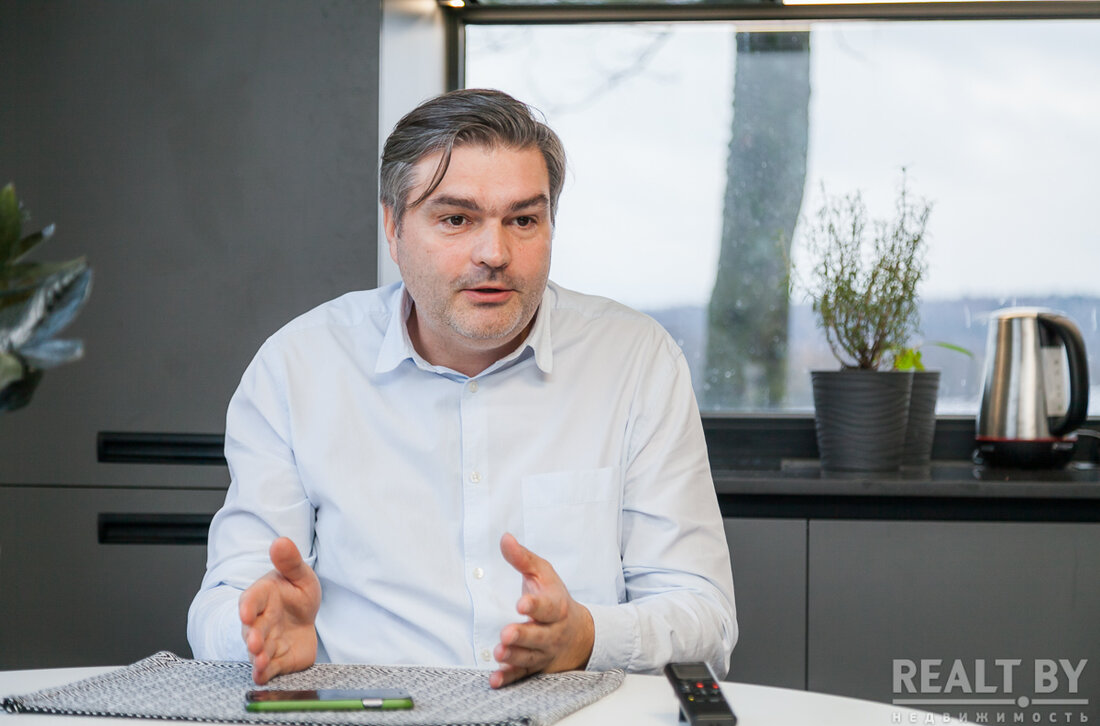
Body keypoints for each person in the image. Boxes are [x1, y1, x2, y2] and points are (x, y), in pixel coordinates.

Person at [187, 88, 737, 688]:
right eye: (456, 219)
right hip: (368, 722)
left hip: (572, 720)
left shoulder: (635, 360)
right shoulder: (299, 366)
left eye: (523, 220)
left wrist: (588, 637)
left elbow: (704, 619)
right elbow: (223, 601)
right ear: (393, 226)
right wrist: (254, 632)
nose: (494, 253)